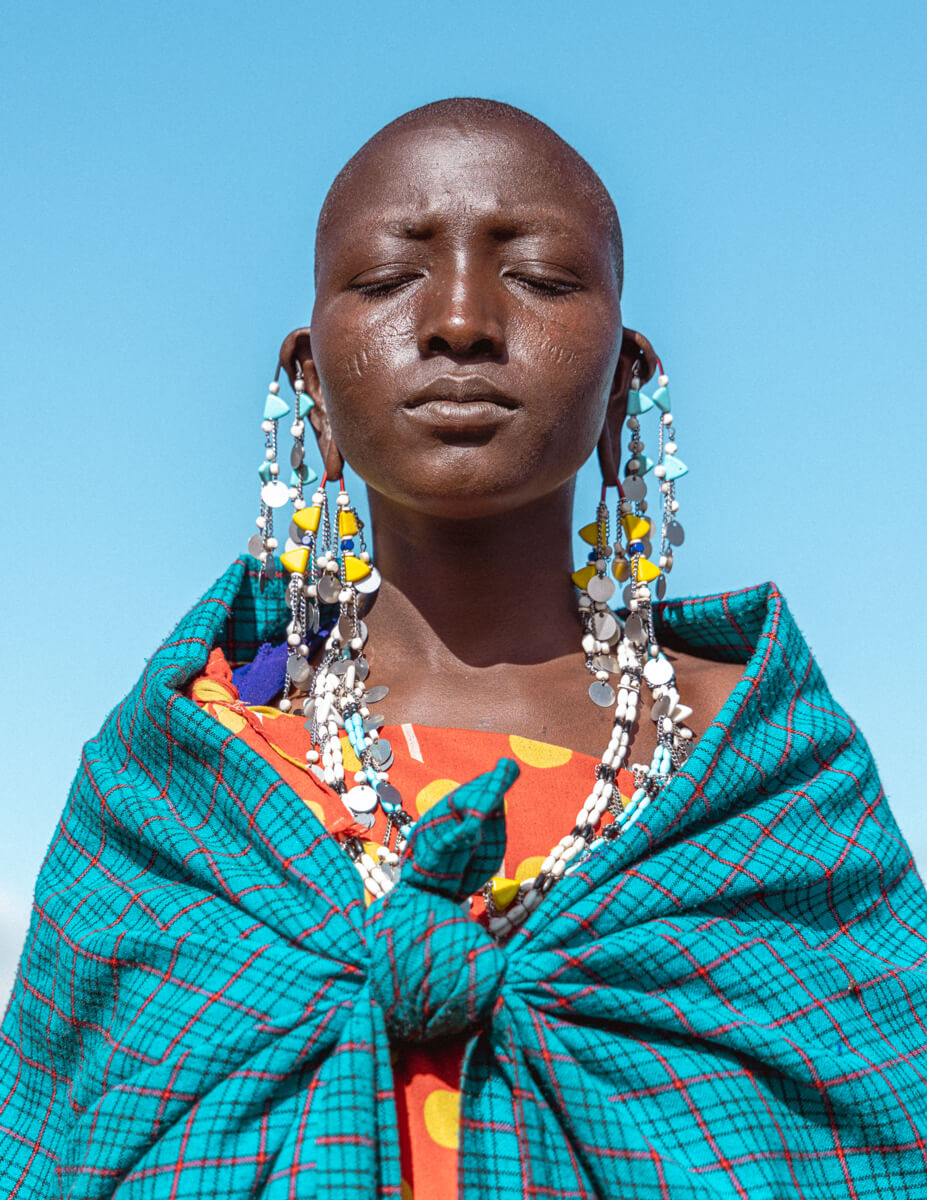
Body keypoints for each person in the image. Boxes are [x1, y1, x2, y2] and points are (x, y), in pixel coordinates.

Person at [3, 98, 926, 1199]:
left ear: (629, 374)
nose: (458, 323)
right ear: (308, 377)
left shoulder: (762, 766)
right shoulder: (194, 760)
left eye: (536, 278)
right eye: (390, 281)